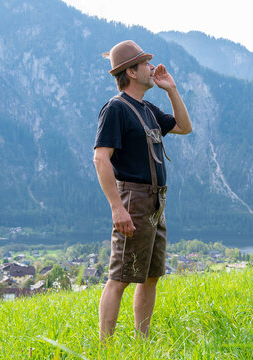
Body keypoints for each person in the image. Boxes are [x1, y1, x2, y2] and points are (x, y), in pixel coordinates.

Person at [93, 40, 192, 342]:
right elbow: (101, 158)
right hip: (132, 200)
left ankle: (142, 341)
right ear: (131, 72)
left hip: (155, 201)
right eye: (146, 63)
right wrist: (117, 208)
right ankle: (105, 347)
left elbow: (184, 127)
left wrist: (171, 89)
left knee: (150, 275)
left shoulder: (148, 108)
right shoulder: (116, 109)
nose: (152, 67)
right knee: (120, 277)